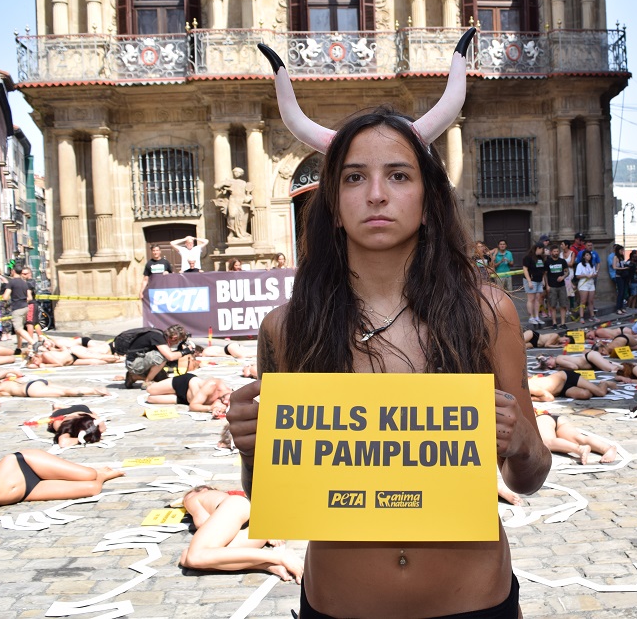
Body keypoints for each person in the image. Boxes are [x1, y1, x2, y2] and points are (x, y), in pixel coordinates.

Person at [230, 33, 550, 618]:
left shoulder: (486, 313)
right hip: (338, 606)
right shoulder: (286, 329)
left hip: (475, 603)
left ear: (428, 199)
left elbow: (530, 476)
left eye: (399, 175)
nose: (376, 194)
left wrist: (520, 438)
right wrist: (252, 447)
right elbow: (267, 492)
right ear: (331, 201)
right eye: (353, 178)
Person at [0, 449, 124, 526]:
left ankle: (98, 472)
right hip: (25, 493)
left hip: (22, 465)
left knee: (88, 475)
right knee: (92, 488)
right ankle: (104, 475)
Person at [179, 486, 303, 580]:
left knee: (195, 555)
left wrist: (188, 502)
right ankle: (265, 565)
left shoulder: (194, 498)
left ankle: (280, 557)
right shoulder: (218, 495)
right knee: (187, 557)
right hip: (255, 527)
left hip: (236, 507)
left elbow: (202, 522)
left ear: (202, 489)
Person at [121, 324, 193, 389]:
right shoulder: (157, 337)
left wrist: (179, 351)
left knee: (162, 379)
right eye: (178, 341)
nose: (177, 343)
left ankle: (133, 377)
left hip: (140, 360)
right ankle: (147, 381)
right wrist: (185, 351)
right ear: (174, 338)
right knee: (162, 356)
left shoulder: (160, 336)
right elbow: (170, 357)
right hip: (133, 363)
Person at [534, 410, 617, 464]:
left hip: (541, 418)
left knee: (548, 442)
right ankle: (607, 448)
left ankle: (579, 449)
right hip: (551, 417)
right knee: (578, 438)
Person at [146, 373, 232, 416]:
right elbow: (193, 406)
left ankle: (168, 390)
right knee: (150, 390)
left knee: (151, 399)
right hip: (185, 384)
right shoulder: (213, 385)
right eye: (227, 400)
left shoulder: (224, 401)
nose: (225, 401)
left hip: (185, 399)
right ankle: (150, 377)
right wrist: (210, 408)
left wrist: (217, 410)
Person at [4, 266, 36, 353]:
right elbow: (29, 297)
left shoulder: (11, 282)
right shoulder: (24, 282)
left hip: (17, 308)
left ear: (13, 271)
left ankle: (33, 342)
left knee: (18, 329)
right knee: (20, 328)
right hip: (25, 307)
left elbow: (5, 296)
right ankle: (18, 348)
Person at [544, 244, 570, 329]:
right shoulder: (548, 262)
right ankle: (554, 323)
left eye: (557, 251)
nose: (556, 253)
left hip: (561, 286)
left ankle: (563, 323)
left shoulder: (562, 261)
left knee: (563, 305)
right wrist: (547, 285)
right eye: (554, 251)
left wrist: (563, 277)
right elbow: (545, 275)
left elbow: (567, 272)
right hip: (552, 286)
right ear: (551, 252)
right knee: (553, 305)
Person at [522, 244, 546, 325]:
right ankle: (531, 317)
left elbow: (542, 269)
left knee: (537, 299)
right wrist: (529, 281)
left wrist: (543, 280)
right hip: (531, 280)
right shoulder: (528, 257)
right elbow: (525, 269)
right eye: (542, 249)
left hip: (539, 280)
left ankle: (537, 317)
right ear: (538, 248)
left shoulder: (540, 258)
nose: (543, 251)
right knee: (531, 299)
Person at [575, 250, 598, 321]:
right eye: (587, 255)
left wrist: (594, 275)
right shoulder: (580, 265)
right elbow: (577, 275)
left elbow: (594, 273)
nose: (589, 256)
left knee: (591, 301)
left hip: (591, 283)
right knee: (583, 301)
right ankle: (581, 316)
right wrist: (585, 275)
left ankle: (592, 315)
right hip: (583, 283)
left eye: (590, 255)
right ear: (584, 256)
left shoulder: (592, 265)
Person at [610, 245, 627, 315]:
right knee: (620, 292)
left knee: (623, 292)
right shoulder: (615, 257)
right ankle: (618, 308)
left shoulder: (621, 257)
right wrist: (623, 269)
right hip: (618, 276)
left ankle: (622, 307)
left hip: (623, 276)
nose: (622, 252)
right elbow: (614, 267)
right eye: (621, 250)